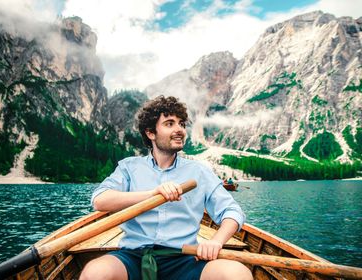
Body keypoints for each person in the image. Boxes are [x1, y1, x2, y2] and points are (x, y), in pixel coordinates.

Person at [80, 96, 252, 280]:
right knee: (95, 273)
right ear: (150, 133)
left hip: (184, 259)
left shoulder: (200, 171)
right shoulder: (129, 167)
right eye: (169, 124)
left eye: (181, 124)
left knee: (237, 274)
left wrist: (216, 242)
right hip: (133, 257)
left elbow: (233, 211)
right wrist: (152, 194)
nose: (179, 130)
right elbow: (100, 200)